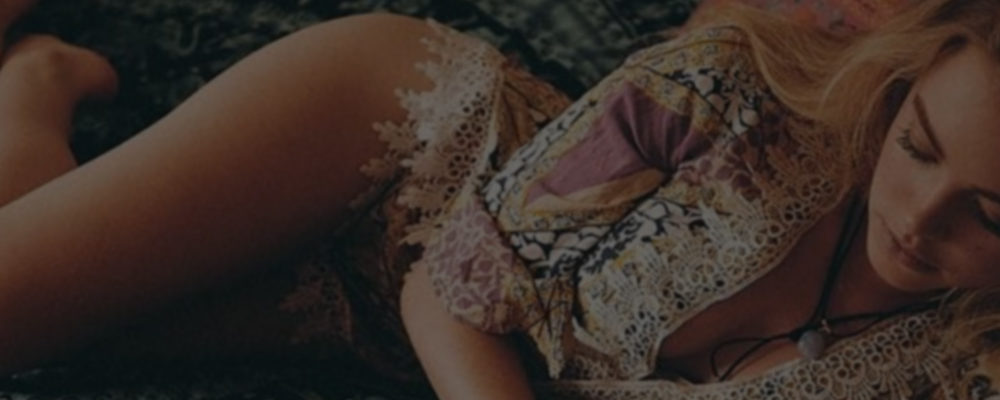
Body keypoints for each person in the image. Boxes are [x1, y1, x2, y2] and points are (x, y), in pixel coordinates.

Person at [0, 0, 999, 399]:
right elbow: (446, 290)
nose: (919, 218)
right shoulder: (725, 89)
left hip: (383, 338)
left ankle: (34, 91)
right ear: (904, 83)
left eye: (991, 214)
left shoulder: (963, 364)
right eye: (915, 146)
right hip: (405, 151)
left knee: (71, 337)